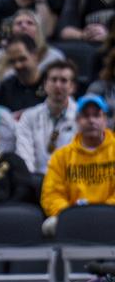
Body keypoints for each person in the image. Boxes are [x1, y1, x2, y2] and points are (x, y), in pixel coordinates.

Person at [41, 94, 115, 232]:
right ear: (77, 121)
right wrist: (72, 215)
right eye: (86, 116)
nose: (91, 120)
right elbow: (51, 195)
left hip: (111, 218)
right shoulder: (61, 156)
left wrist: (104, 214)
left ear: (105, 120)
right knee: (48, 226)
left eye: (97, 115)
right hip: (71, 220)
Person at [16, 59, 78, 176]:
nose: (58, 85)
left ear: (72, 87)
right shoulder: (29, 116)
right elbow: (24, 155)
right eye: (53, 80)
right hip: (35, 183)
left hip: (70, 182)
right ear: (45, 84)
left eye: (63, 81)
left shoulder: (81, 117)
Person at [0, 34, 47, 115]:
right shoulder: (6, 87)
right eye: (12, 61)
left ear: (36, 56)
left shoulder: (52, 84)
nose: (17, 65)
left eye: (22, 59)